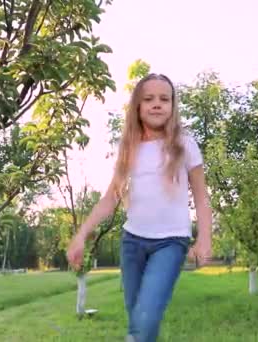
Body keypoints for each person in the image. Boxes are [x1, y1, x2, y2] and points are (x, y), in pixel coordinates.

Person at [66, 73, 212, 342]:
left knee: (145, 318)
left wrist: (205, 239)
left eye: (164, 99)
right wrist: (81, 234)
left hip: (171, 243)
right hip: (132, 243)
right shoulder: (129, 148)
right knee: (137, 321)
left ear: (172, 106)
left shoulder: (185, 144)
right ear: (138, 106)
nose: (157, 104)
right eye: (149, 99)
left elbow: (202, 198)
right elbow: (111, 198)